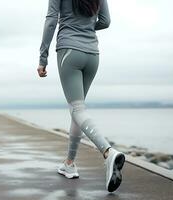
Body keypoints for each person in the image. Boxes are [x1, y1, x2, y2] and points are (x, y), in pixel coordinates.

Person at [37, 0, 126, 192]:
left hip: (69, 50)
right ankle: (69, 163)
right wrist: (85, 26)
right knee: (77, 111)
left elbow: (51, 21)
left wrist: (43, 57)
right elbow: (106, 21)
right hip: (92, 55)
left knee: (77, 109)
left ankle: (108, 152)